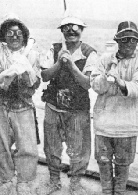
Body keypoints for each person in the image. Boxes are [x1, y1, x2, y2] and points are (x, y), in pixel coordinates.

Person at [37, 16, 97, 195]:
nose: (71, 31)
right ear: (61, 31)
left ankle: (76, 183)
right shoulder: (54, 49)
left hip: (78, 110)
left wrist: (71, 65)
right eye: (66, 28)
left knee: (78, 149)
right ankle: (54, 180)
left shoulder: (90, 53)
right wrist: (59, 63)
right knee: (52, 147)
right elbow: (45, 76)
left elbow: (87, 83)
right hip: (53, 107)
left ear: (82, 30)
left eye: (76, 28)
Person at [91, 21, 138, 195]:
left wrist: (119, 80)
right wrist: (105, 75)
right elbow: (96, 87)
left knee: (123, 163)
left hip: (128, 123)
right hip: (104, 122)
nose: (129, 43)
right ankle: (107, 192)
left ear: (137, 42)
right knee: (103, 161)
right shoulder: (104, 59)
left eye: (133, 40)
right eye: (124, 39)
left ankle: (120, 192)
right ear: (117, 40)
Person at [0, 14, 41, 195]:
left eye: (18, 32)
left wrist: (25, 71)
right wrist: (5, 75)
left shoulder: (32, 54)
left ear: (25, 36)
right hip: (2, 106)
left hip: (24, 105)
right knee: (2, 146)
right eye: (9, 32)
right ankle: (5, 179)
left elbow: (35, 82)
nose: (14, 36)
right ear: (3, 36)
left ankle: (24, 181)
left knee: (27, 147)